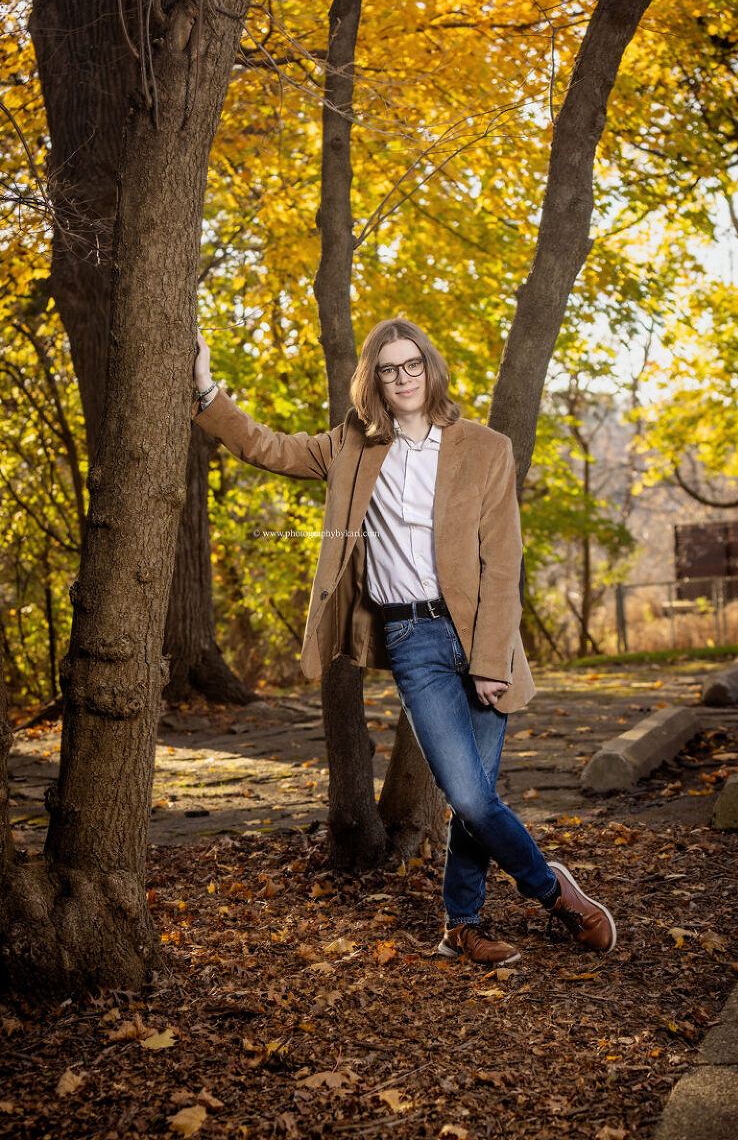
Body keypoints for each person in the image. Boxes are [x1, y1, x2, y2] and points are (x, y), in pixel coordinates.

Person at [193, 319, 616, 965]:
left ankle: (463, 925)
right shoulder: (352, 446)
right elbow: (266, 446)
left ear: (430, 367)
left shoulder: (486, 448)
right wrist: (205, 388)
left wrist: (492, 660)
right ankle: (553, 891)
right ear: (375, 380)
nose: (402, 378)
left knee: (481, 799)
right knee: (469, 796)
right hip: (412, 637)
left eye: (411, 365)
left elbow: (504, 562)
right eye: (388, 369)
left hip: (480, 636)